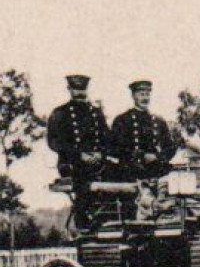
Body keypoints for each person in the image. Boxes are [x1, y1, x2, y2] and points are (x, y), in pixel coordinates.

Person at [106, 80, 176, 219]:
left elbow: (170, 147)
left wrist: (158, 157)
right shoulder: (122, 120)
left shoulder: (158, 121)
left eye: (147, 94)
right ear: (133, 96)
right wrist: (139, 155)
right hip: (131, 170)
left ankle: (164, 211)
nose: (145, 97)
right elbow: (113, 148)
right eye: (141, 94)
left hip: (156, 169)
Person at [46, 74, 109, 228]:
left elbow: (108, 139)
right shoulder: (60, 113)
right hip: (72, 162)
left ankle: (111, 218)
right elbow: (53, 142)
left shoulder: (96, 113)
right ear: (69, 89)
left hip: (97, 161)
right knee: (83, 181)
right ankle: (85, 223)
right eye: (76, 89)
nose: (80, 92)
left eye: (83, 89)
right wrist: (78, 155)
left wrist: (100, 153)